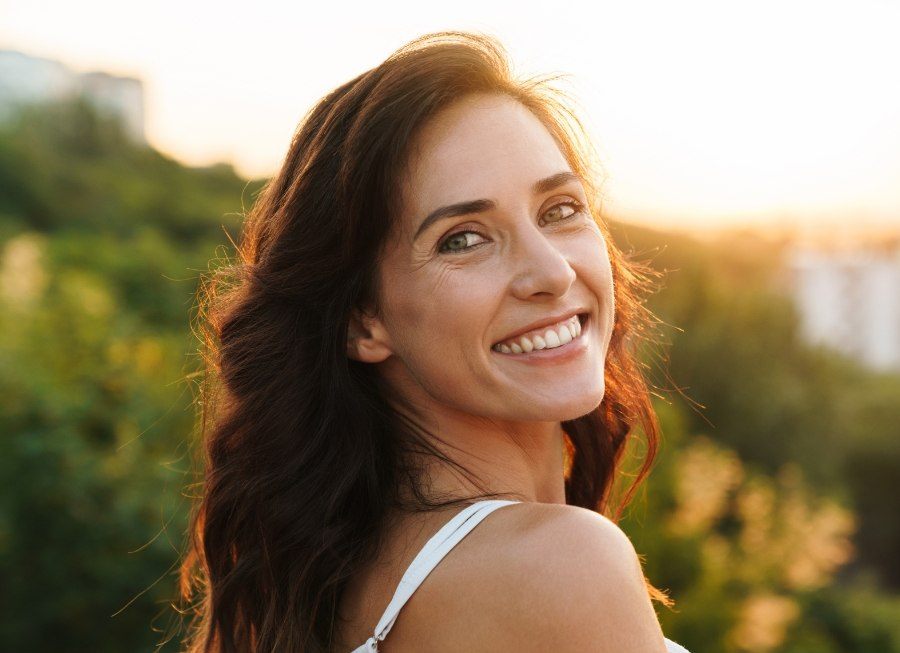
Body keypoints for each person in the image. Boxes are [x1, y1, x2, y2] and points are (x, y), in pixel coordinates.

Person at [177, 30, 691, 652]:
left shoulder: (342, 581)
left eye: (559, 209)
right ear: (363, 321)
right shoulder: (557, 565)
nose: (553, 272)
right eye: (464, 239)